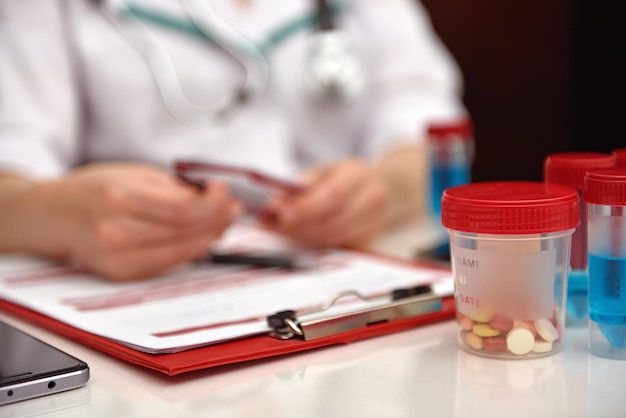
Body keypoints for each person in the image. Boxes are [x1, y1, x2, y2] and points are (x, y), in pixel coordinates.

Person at [0, 0, 466, 281]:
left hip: (339, 286)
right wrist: (54, 211)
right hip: (145, 295)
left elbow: (432, 128)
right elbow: (12, 164)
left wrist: (382, 189)